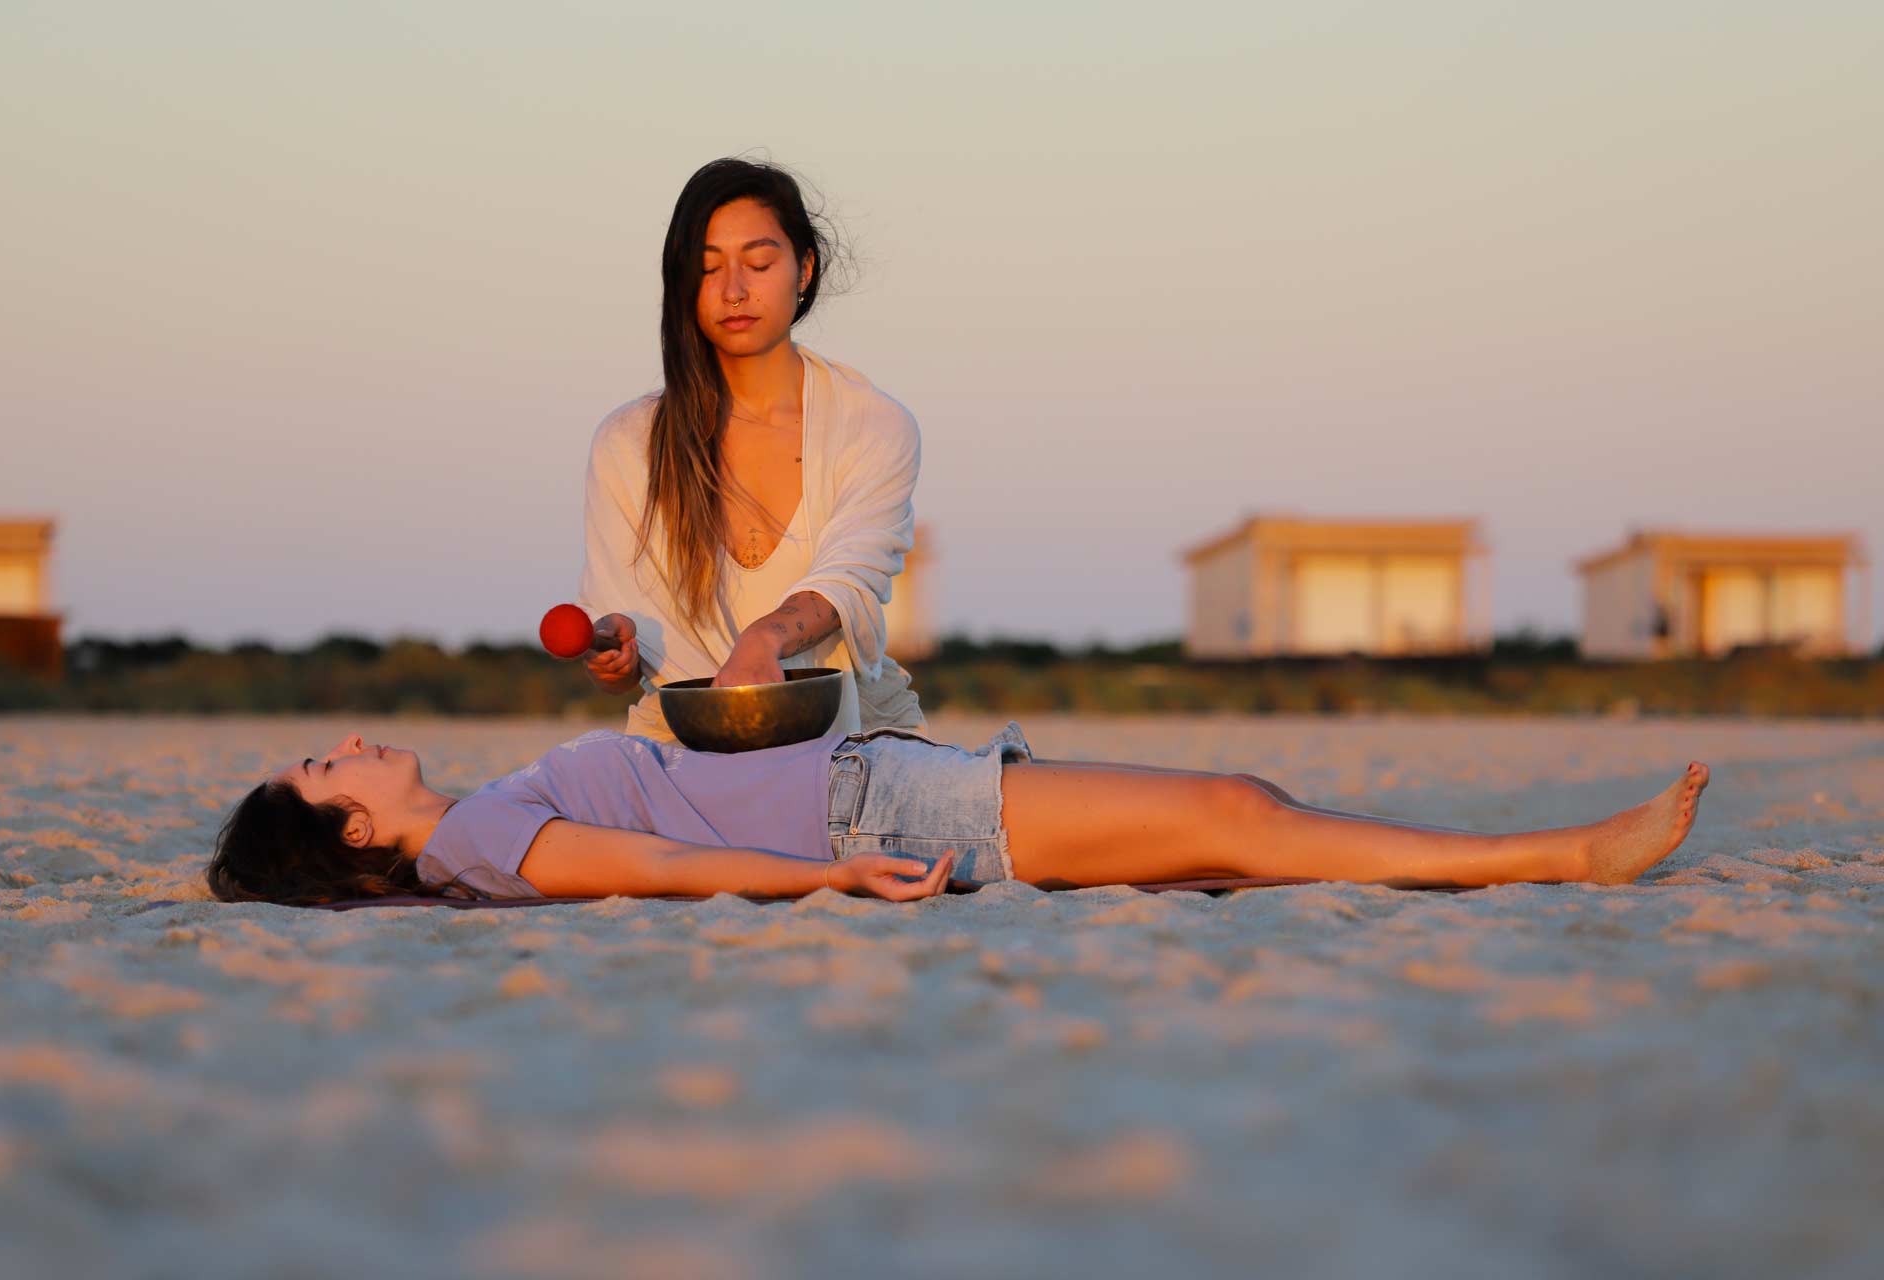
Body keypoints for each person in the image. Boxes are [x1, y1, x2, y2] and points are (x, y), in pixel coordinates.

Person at [206, 726, 1711, 907]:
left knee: (1239, 829)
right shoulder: (472, 842)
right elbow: (654, 863)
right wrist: (827, 880)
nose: (347, 745)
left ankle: (1538, 853)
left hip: (875, 776)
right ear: (350, 833)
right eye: (325, 772)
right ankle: (1569, 854)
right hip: (872, 804)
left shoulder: (479, 818)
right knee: (1237, 811)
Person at [577, 157, 925, 743]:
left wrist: (763, 639)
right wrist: (613, 654)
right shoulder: (628, 442)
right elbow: (623, 658)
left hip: (849, 734)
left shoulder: (874, 424)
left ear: (804, 269)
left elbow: (851, 576)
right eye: (709, 269)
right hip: (680, 741)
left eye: (759, 263)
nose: (735, 291)